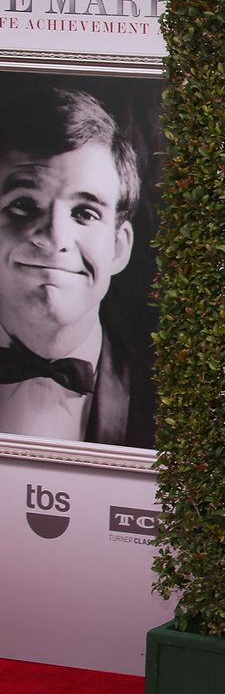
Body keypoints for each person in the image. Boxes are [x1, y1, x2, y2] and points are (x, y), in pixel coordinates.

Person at [0, 85, 153, 448]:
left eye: (85, 213)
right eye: (23, 204)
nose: (55, 237)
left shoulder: (171, 399)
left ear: (118, 247)